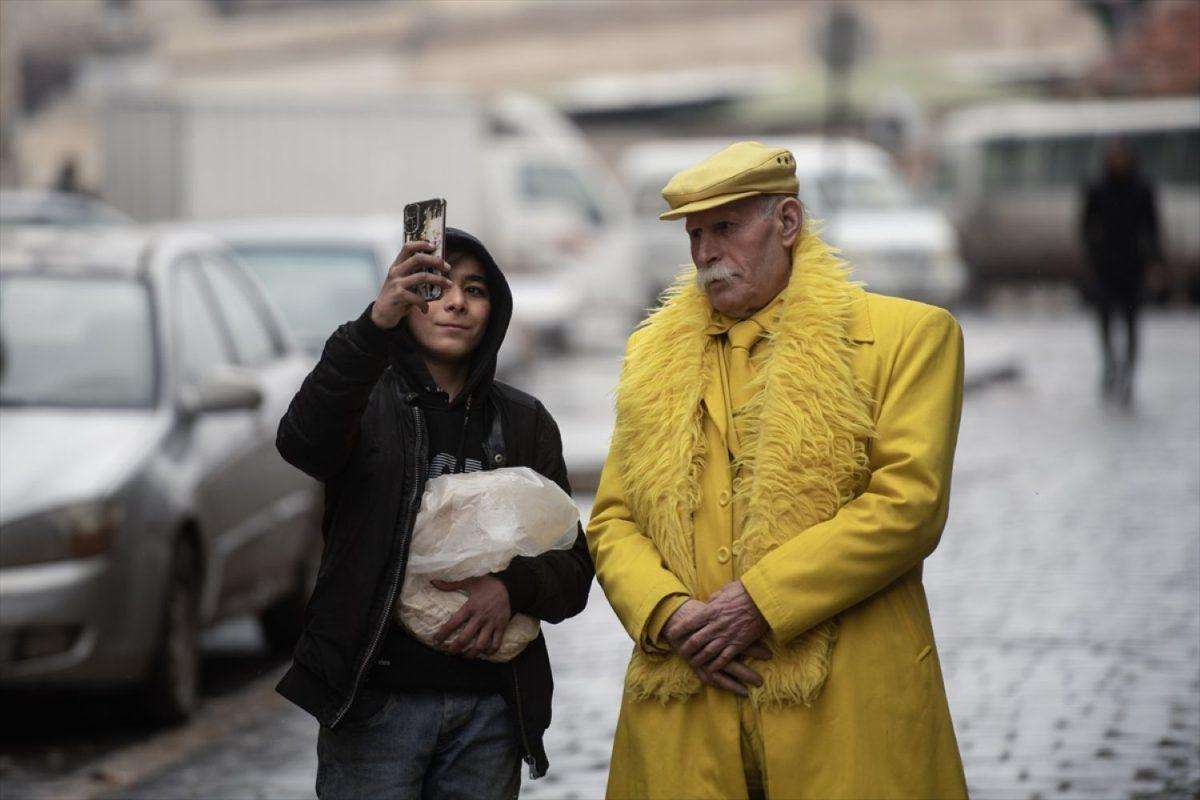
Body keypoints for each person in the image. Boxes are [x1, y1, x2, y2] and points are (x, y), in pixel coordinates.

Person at [587, 141, 968, 798]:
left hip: (846, 705)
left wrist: (763, 600)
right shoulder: (650, 356)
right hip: (689, 699)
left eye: (726, 228)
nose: (706, 252)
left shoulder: (911, 337)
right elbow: (615, 517)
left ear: (787, 224)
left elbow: (909, 505)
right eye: (695, 234)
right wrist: (668, 613)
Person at [274, 228, 593, 799]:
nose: (456, 302)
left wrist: (510, 588)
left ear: (494, 311)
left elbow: (574, 573)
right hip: (374, 706)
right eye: (437, 287)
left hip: (490, 713)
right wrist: (375, 323)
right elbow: (302, 443)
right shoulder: (363, 404)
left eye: (476, 290)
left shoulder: (525, 423)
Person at [1081, 140, 1162, 405]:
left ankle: (1128, 371)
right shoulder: (1097, 188)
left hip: (1132, 265)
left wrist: (1155, 261)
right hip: (1105, 264)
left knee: (1131, 321)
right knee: (1104, 319)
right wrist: (1091, 258)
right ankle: (1109, 363)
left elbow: (1152, 227)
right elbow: (1086, 225)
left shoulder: (1142, 188)